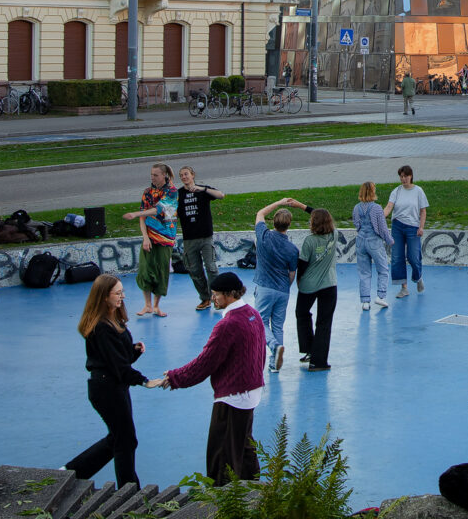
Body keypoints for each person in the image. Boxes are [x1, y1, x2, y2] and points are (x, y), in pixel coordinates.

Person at [149, 273, 266, 485]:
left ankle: (223, 503)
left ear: (230, 295)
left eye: (216, 295)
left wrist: (175, 377)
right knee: (244, 446)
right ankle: (255, 492)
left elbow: (205, 362)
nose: (213, 299)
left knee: (222, 454)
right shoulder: (252, 314)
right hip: (251, 391)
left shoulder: (227, 325)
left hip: (233, 396)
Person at [65, 275, 147, 488]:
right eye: (118, 293)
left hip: (116, 386)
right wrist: (145, 381)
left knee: (120, 438)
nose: (122, 297)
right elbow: (117, 366)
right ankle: (129, 490)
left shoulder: (114, 319)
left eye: (122, 292)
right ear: (104, 296)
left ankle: (73, 471)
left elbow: (119, 358)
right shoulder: (101, 327)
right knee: (125, 440)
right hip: (107, 388)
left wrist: (133, 351)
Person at [254, 197, 309, 373]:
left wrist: (278, 202)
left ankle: (274, 346)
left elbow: (260, 213)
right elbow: (292, 273)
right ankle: (274, 363)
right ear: (289, 225)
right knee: (277, 325)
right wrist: (286, 286)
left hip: (264, 287)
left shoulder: (264, 236)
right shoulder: (293, 249)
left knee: (260, 322)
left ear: (274, 222)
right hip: (282, 290)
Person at [122, 164, 178, 317]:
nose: (152, 178)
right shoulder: (147, 192)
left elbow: (158, 209)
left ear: (164, 175)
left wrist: (134, 214)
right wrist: (145, 237)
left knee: (161, 271)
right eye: (151, 174)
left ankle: (156, 306)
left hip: (166, 237)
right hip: (150, 236)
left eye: (156, 175)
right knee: (145, 270)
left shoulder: (172, 192)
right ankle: (147, 305)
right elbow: (143, 216)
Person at [175, 167, 226, 312]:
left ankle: (217, 298)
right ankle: (205, 298)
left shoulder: (203, 190)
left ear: (192, 175)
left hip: (205, 237)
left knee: (211, 267)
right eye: (181, 175)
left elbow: (221, 195)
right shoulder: (179, 194)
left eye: (186, 174)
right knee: (195, 270)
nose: (184, 177)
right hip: (189, 239)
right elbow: (173, 212)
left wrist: (202, 189)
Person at [295, 208, 338, 371]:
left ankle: (308, 348)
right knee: (324, 322)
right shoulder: (335, 235)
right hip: (329, 284)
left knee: (302, 313)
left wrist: (299, 279)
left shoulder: (309, 241)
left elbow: (303, 263)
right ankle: (318, 361)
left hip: (309, 285)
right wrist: (304, 207)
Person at [385, 165, 429, 297]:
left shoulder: (418, 191)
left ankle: (418, 277)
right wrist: (379, 217)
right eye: (401, 176)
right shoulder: (396, 191)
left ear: (411, 176)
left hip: (413, 227)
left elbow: (423, 211)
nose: (403, 179)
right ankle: (404, 287)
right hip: (397, 225)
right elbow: (389, 207)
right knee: (397, 257)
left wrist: (421, 227)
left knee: (413, 257)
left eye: (406, 176)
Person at [352, 181, 392, 310]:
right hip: (374, 241)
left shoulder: (356, 208)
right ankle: (381, 296)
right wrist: (390, 240)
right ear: (372, 192)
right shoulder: (376, 208)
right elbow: (382, 228)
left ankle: (365, 301)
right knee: (383, 269)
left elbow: (356, 224)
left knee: (364, 272)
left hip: (361, 241)